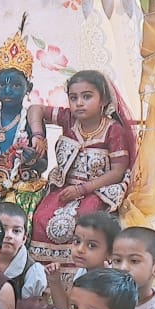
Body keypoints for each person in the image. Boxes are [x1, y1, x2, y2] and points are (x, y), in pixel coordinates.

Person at [28, 70, 137, 268]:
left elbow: (117, 172)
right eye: (73, 97)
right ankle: (47, 276)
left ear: (104, 100)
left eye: (87, 97)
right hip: (65, 186)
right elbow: (35, 108)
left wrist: (82, 189)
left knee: (84, 220)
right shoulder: (69, 119)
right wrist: (37, 134)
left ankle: (79, 274)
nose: (79, 103)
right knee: (40, 218)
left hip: (98, 190)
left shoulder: (113, 130)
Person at [0, 16, 48, 215]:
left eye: (16, 85)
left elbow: (43, 164)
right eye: (2, 85)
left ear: (28, 87)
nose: (8, 90)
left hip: (22, 187)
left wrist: (32, 160)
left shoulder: (32, 121)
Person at [46, 211, 120, 309]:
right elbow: (65, 307)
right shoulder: (84, 271)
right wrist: (54, 281)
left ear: (110, 253)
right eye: (77, 241)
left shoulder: (109, 283)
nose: (80, 249)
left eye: (91, 245)